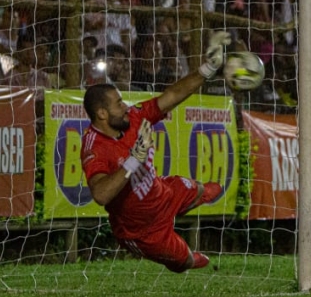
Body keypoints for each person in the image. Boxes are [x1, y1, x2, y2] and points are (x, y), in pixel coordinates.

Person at [81, 31, 231, 272]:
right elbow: (100, 194)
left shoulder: (134, 116)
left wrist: (207, 69)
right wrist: (133, 161)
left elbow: (171, 96)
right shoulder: (95, 146)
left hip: (162, 194)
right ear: (102, 114)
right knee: (185, 263)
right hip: (142, 230)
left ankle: (193, 198)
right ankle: (186, 257)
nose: (125, 106)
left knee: (203, 189)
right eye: (118, 104)